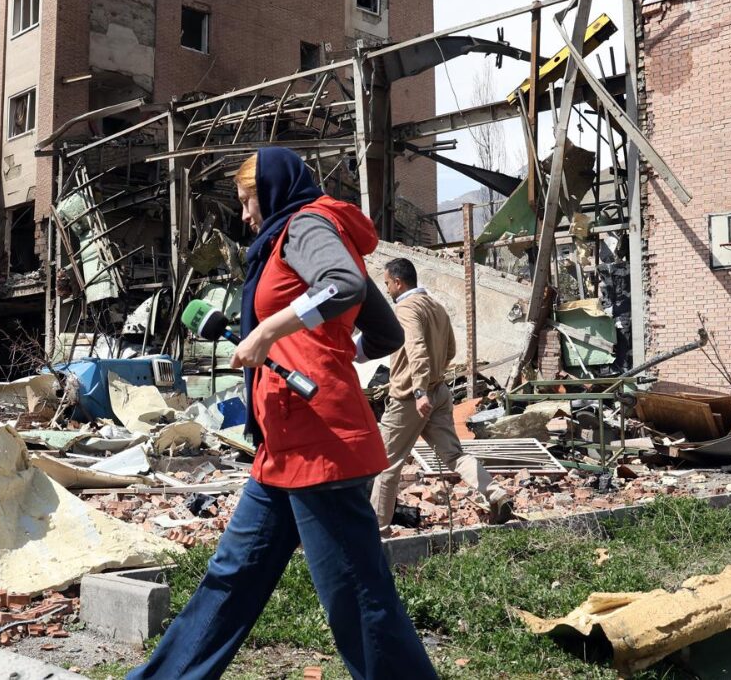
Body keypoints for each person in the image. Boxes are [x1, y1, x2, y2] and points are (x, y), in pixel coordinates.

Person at [129, 147, 435, 680]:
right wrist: (331, 350)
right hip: (284, 443)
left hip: (321, 442)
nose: (246, 215)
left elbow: (344, 285)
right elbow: (382, 332)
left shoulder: (306, 224)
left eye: (248, 200)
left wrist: (269, 332)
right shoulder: (283, 241)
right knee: (231, 578)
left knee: (359, 601)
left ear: (272, 189)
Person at [368, 258, 513, 533]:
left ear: (398, 282)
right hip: (439, 392)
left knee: (386, 464)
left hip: (412, 398)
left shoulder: (406, 309)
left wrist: (420, 389)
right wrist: (434, 380)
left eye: (387, 283)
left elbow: (417, 349)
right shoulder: (436, 306)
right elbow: (450, 350)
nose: (386, 289)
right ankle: (495, 493)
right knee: (454, 454)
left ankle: (378, 532)